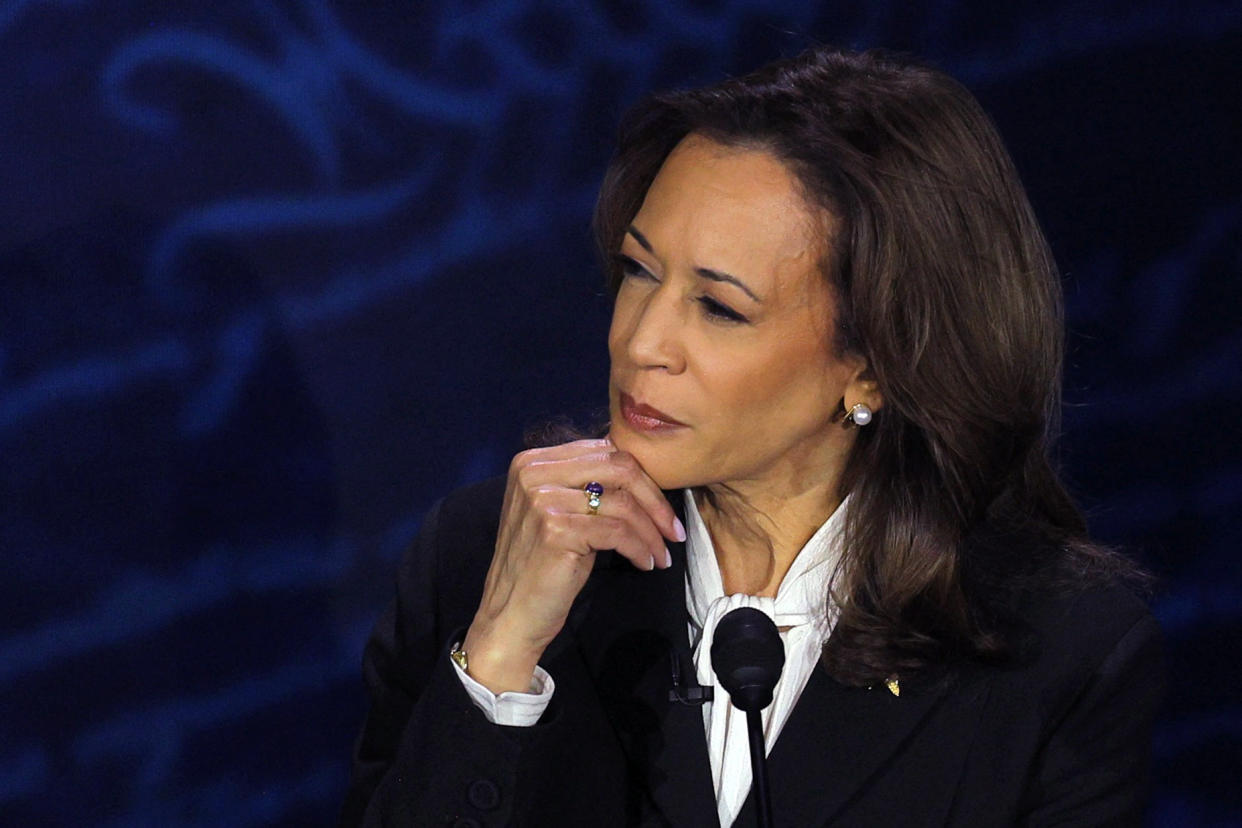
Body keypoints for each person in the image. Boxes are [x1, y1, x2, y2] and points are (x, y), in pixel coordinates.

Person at [340, 46, 1164, 827]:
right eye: (637, 271)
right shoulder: (480, 561)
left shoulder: (1056, 648)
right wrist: (501, 656)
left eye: (720, 308)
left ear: (876, 364)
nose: (641, 343)